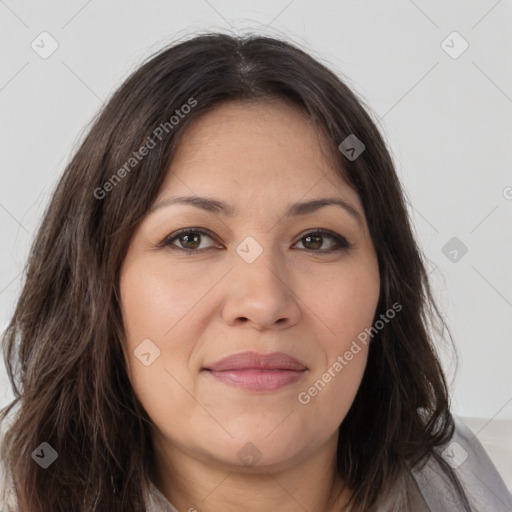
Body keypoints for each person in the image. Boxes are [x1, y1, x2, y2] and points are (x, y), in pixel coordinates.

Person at [1, 32, 511, 512]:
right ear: (97, 289)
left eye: (317, 240)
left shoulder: (480, 483)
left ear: (385, 284)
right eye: (192, 239)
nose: (264, 302)